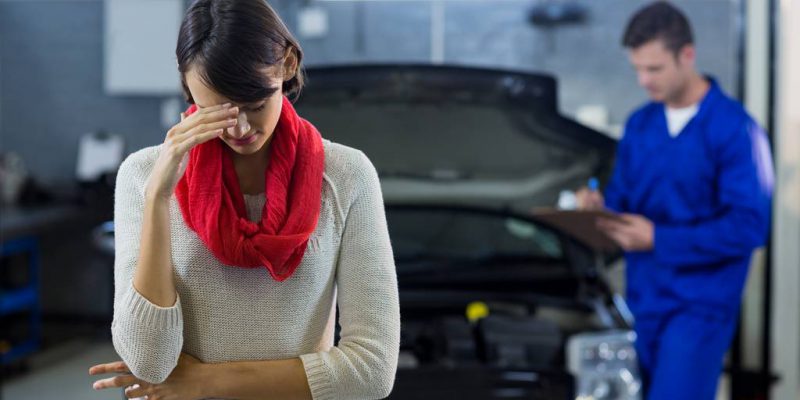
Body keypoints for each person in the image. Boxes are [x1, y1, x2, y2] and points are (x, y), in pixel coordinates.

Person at [88, 1, 400, 399]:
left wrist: (203, 382)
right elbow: (149, 362)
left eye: (255, 106)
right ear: (187, 87)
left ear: (287, 65)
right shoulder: (144, 175)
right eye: (215, 111)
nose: (238, 128)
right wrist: (157, 199)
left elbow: (372, 370)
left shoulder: (346, 176)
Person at [576, 2, 773, 399]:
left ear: (687, 55)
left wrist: (659, 239)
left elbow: (749, 226)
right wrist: (597, 209)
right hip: (645, 299)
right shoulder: (640, 124)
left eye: (654, 69)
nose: (644, 81)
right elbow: (623, 201)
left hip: (700, 307)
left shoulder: (735, 130)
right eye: (637, 69)